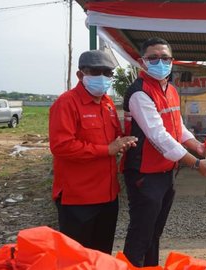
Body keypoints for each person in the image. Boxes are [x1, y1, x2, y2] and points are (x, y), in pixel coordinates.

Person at [122, 37, 206, 267]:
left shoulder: (171, 89)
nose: (160, 62)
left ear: (172, 60)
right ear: (142, 61)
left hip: (166, 172)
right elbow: (159, 136)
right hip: (144, 173)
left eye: (165, 57)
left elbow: (177, 126)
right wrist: (196, 163)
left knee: (155, 231)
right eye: (153, 57)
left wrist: (197, 146)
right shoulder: (139, 92)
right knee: (141, 231)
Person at [49, 50, 137, 254]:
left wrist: (125, 142)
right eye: (97, 72)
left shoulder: (107, 104)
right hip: (78, 198)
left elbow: (115, 138)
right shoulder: (67, 103)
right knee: (76, 258)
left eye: (108, 73)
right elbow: (61, 146)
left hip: (107, 196)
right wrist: (107, 150)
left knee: (101, 255)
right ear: (81, 75)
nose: (104, 77)